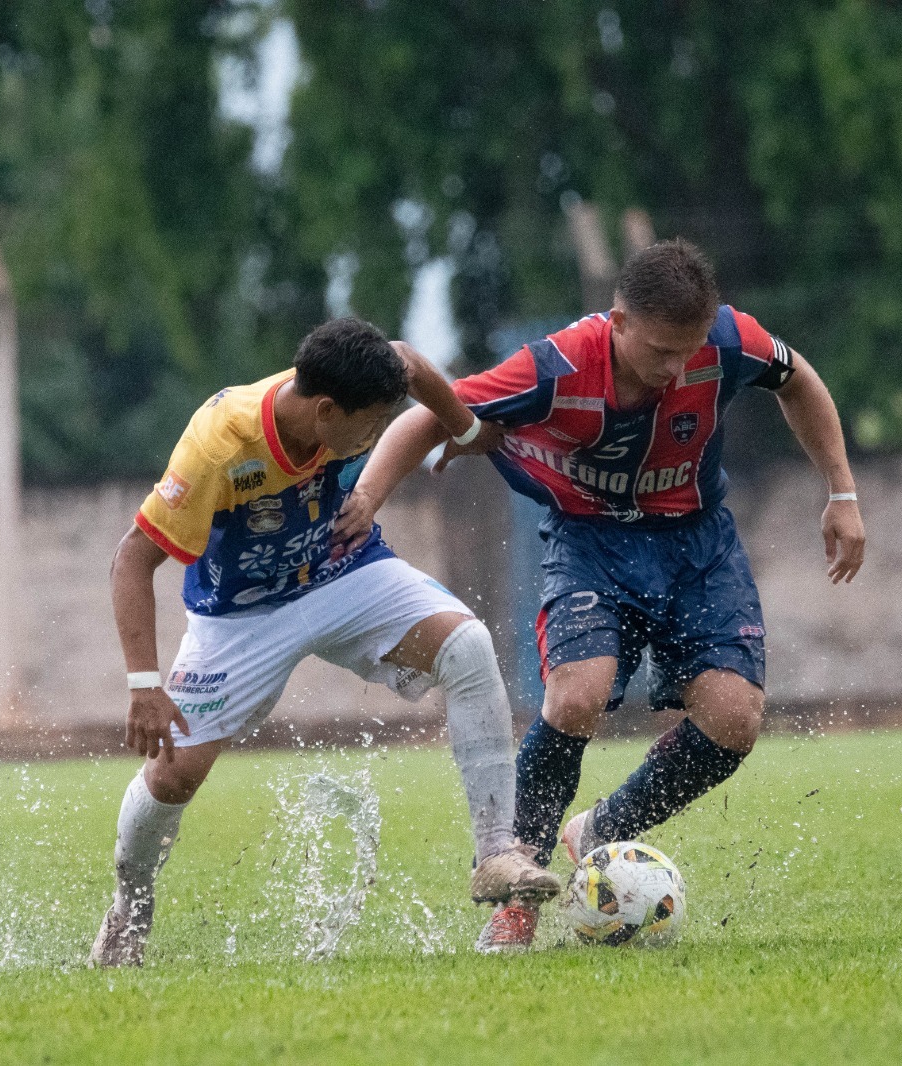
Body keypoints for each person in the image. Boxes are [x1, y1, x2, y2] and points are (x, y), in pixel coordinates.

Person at [337, 238, 866, 951]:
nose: (675, 368)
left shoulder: (733, 341)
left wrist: (841, 490)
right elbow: (431, 411)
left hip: (698, 545)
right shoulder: (556, 366)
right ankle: (517, 887)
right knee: (575, 698)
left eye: (688, 350)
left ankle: (601, 830)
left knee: (736, 720)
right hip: (591, 543)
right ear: (617, 322)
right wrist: (368, 496)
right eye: (657, 351)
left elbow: (798, 378)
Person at [89, 317, 561, 967]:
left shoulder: (363, 378)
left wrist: (467, 430)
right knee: (172, 778)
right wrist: (144, 687)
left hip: (343, 570)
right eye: (368, 426)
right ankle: (129, 912)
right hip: (241, 617)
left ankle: (496, 852)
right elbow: (131, 560)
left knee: (468, 646)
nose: (374, 437)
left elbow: (413, 366)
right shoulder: (220, 444)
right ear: (325, 410)